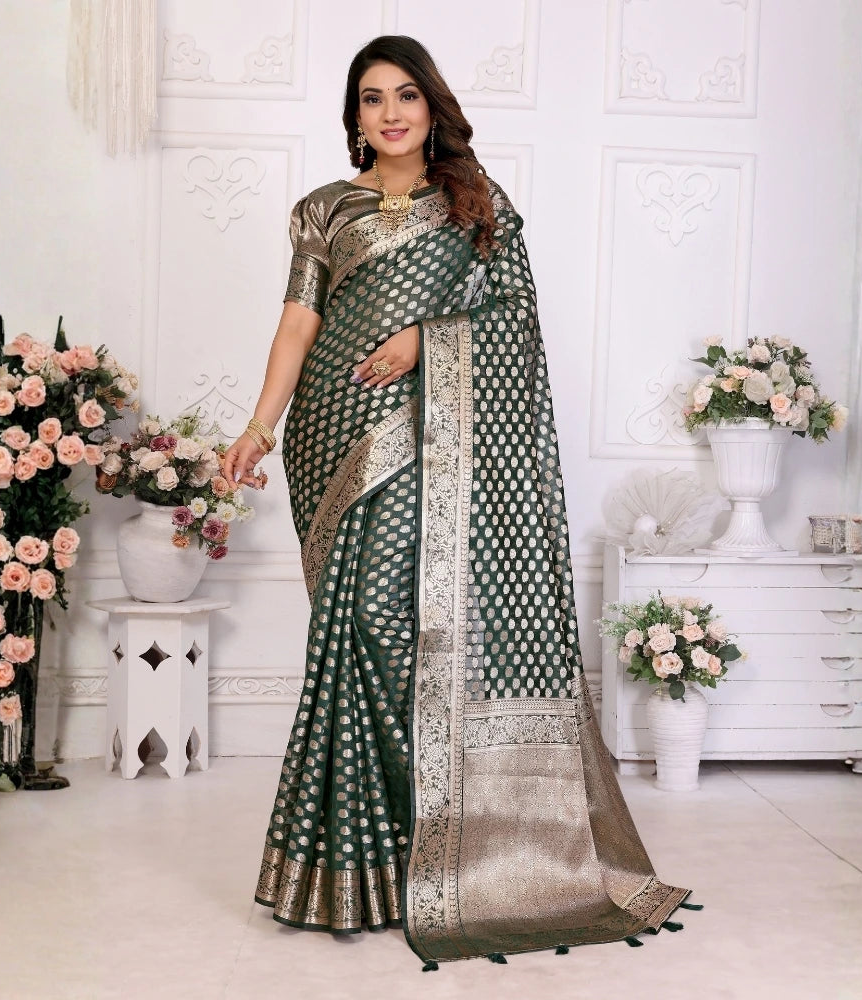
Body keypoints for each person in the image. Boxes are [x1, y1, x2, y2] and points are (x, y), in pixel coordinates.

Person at [223, 35, 691, 967]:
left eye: (406, 95)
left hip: (427, 432)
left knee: (391, 621)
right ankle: (374, 863)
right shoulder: (323, 210)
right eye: (372, 98)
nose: (390, 113)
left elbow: (516, 316)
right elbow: (298, 322)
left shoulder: (475, 203)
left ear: (432, 106)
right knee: (352, 630)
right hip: (329, 432)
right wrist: (260, 426)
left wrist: (425, 339)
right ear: (354, 117)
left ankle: (462, 840)